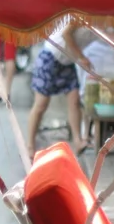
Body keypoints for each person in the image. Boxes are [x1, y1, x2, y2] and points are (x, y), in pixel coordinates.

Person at [26, 19, 101, 156]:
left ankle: (78, 142)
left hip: (67, 61)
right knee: (41, 104)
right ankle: (30, 146)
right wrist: (81, 57)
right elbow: (66, 35)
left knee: (74, 101)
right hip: (50, 57)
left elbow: (113, 34)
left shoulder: (101, 19)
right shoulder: (80, 13)